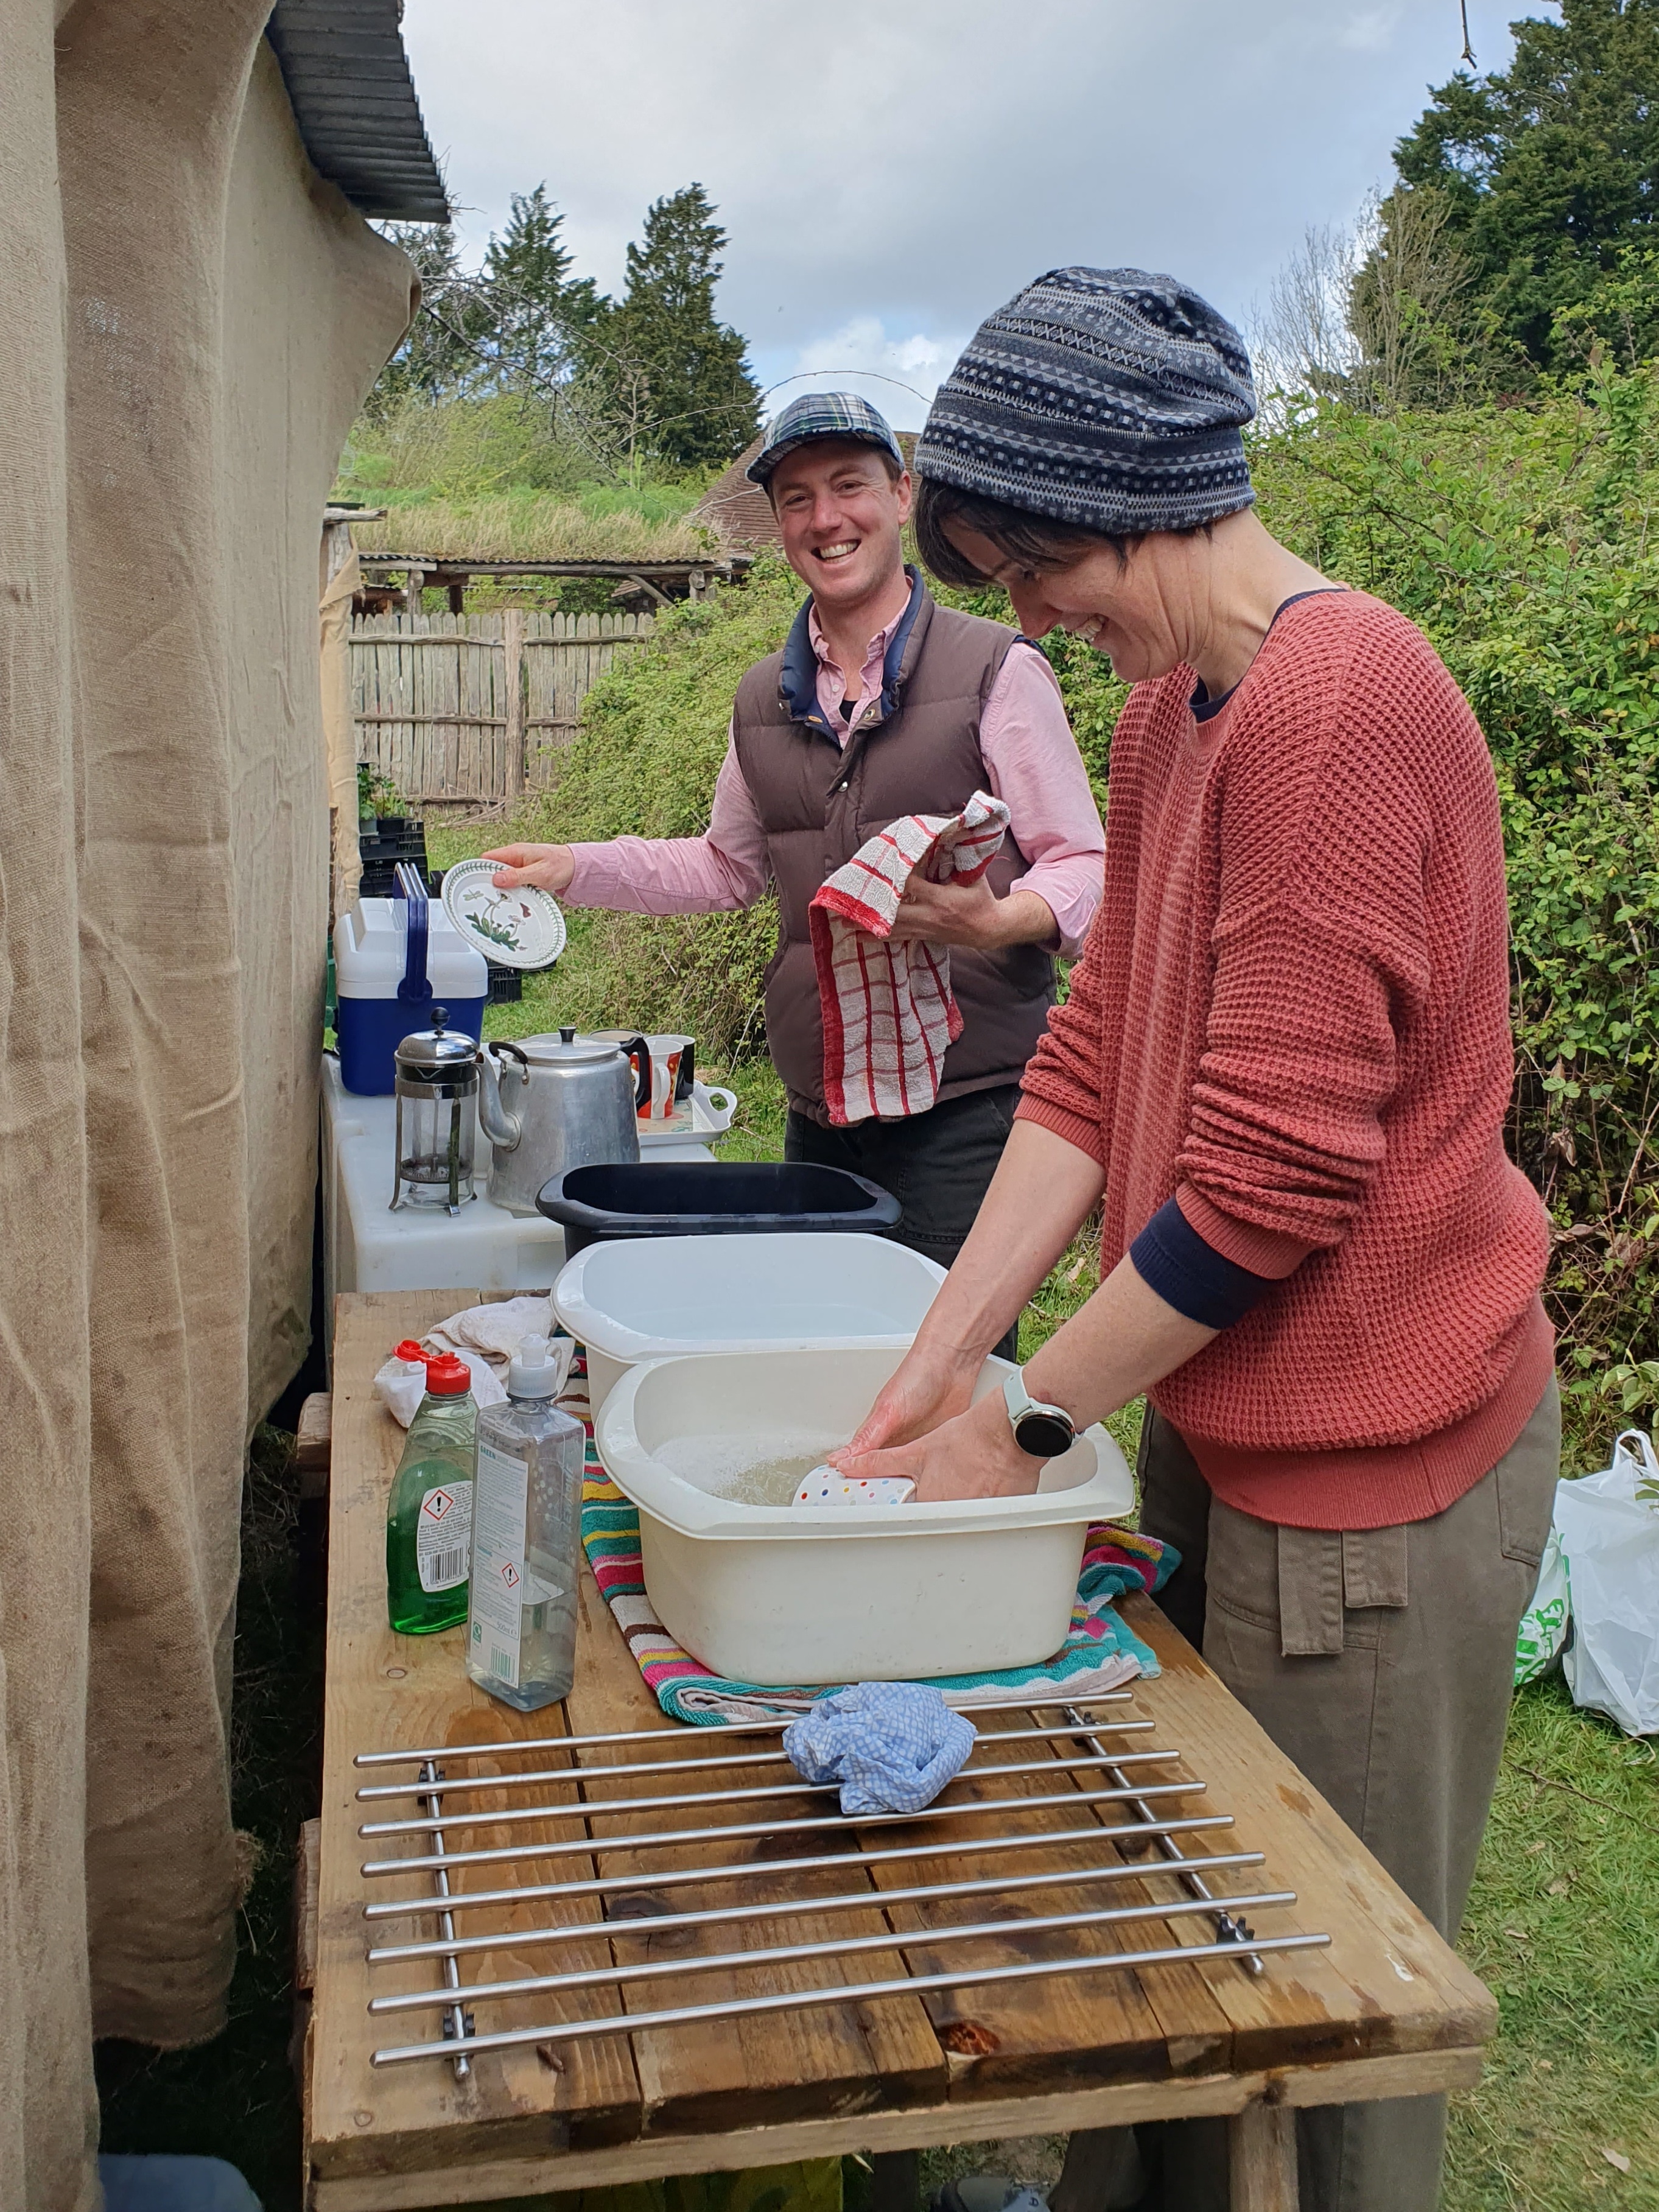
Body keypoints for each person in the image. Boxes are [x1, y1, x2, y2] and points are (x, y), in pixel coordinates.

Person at [833, 270, 1557, 2212]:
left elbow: (1268, 1180)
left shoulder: (1335, 702)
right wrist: (938, 1370)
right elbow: (1089, 1054)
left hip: (1373, 1471)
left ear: (1140, 494)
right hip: (1213, 1410)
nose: (1033, 613)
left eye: (1042, 564)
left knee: (1317, 2005)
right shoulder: (1170, 711)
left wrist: (1026, 1425)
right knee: (1159, 1922)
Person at [482, 393, 1104, 1305]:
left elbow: (1084, 865)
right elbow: (727, 867)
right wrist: (577, 866)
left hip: (966, 1106)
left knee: (944, 1352)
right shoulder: (761, 700)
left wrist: (997, 921)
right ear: (778, 525)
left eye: (849, 486)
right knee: (818, 1337)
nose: (825, 519)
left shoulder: (996, 670)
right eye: (797, 499)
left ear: (900, 496)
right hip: (822, 1109)